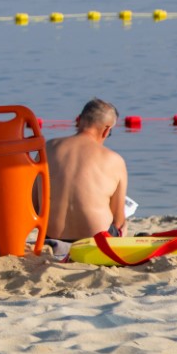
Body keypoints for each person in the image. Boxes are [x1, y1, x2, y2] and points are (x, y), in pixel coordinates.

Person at [44, 98, 129, 252]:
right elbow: (118, 220)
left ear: (78, 121)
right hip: (96, 241)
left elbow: (36, 205)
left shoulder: (47, 148)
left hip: (52, 238)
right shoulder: (114, 160)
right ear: (106, 130)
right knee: (124, 225)